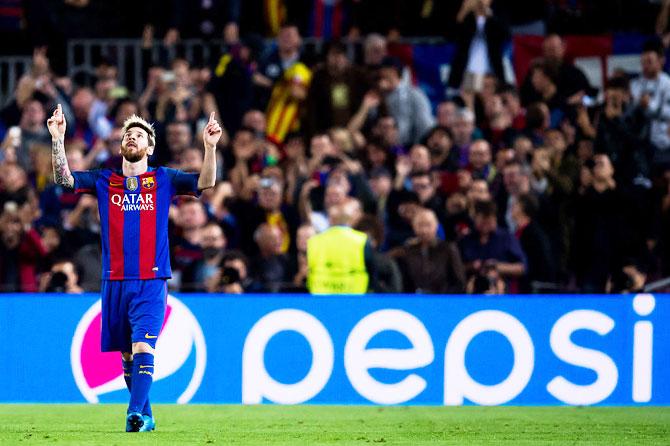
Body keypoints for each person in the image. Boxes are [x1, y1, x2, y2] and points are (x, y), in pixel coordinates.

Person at [47, 104, 221, 432]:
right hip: (113, 280)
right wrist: (58, 139)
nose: (132, 137)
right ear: (121, 145)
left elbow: (206, 181)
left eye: (139, 135)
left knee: (143, 345)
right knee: (127, 356)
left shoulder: (165, 178)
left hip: (151, 280)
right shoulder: (104, 180)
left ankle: (132, 414)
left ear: (149, 147)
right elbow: (64, 179)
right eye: (128, 134)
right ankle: (147, 416)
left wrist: (209, 147)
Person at [306, 201, 374, 294]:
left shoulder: (314, 240)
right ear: (349, 220)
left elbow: (308, 266)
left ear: (330, 220)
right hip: (354, 293)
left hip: (321, 293)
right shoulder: (362, 239)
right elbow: (371, 267)